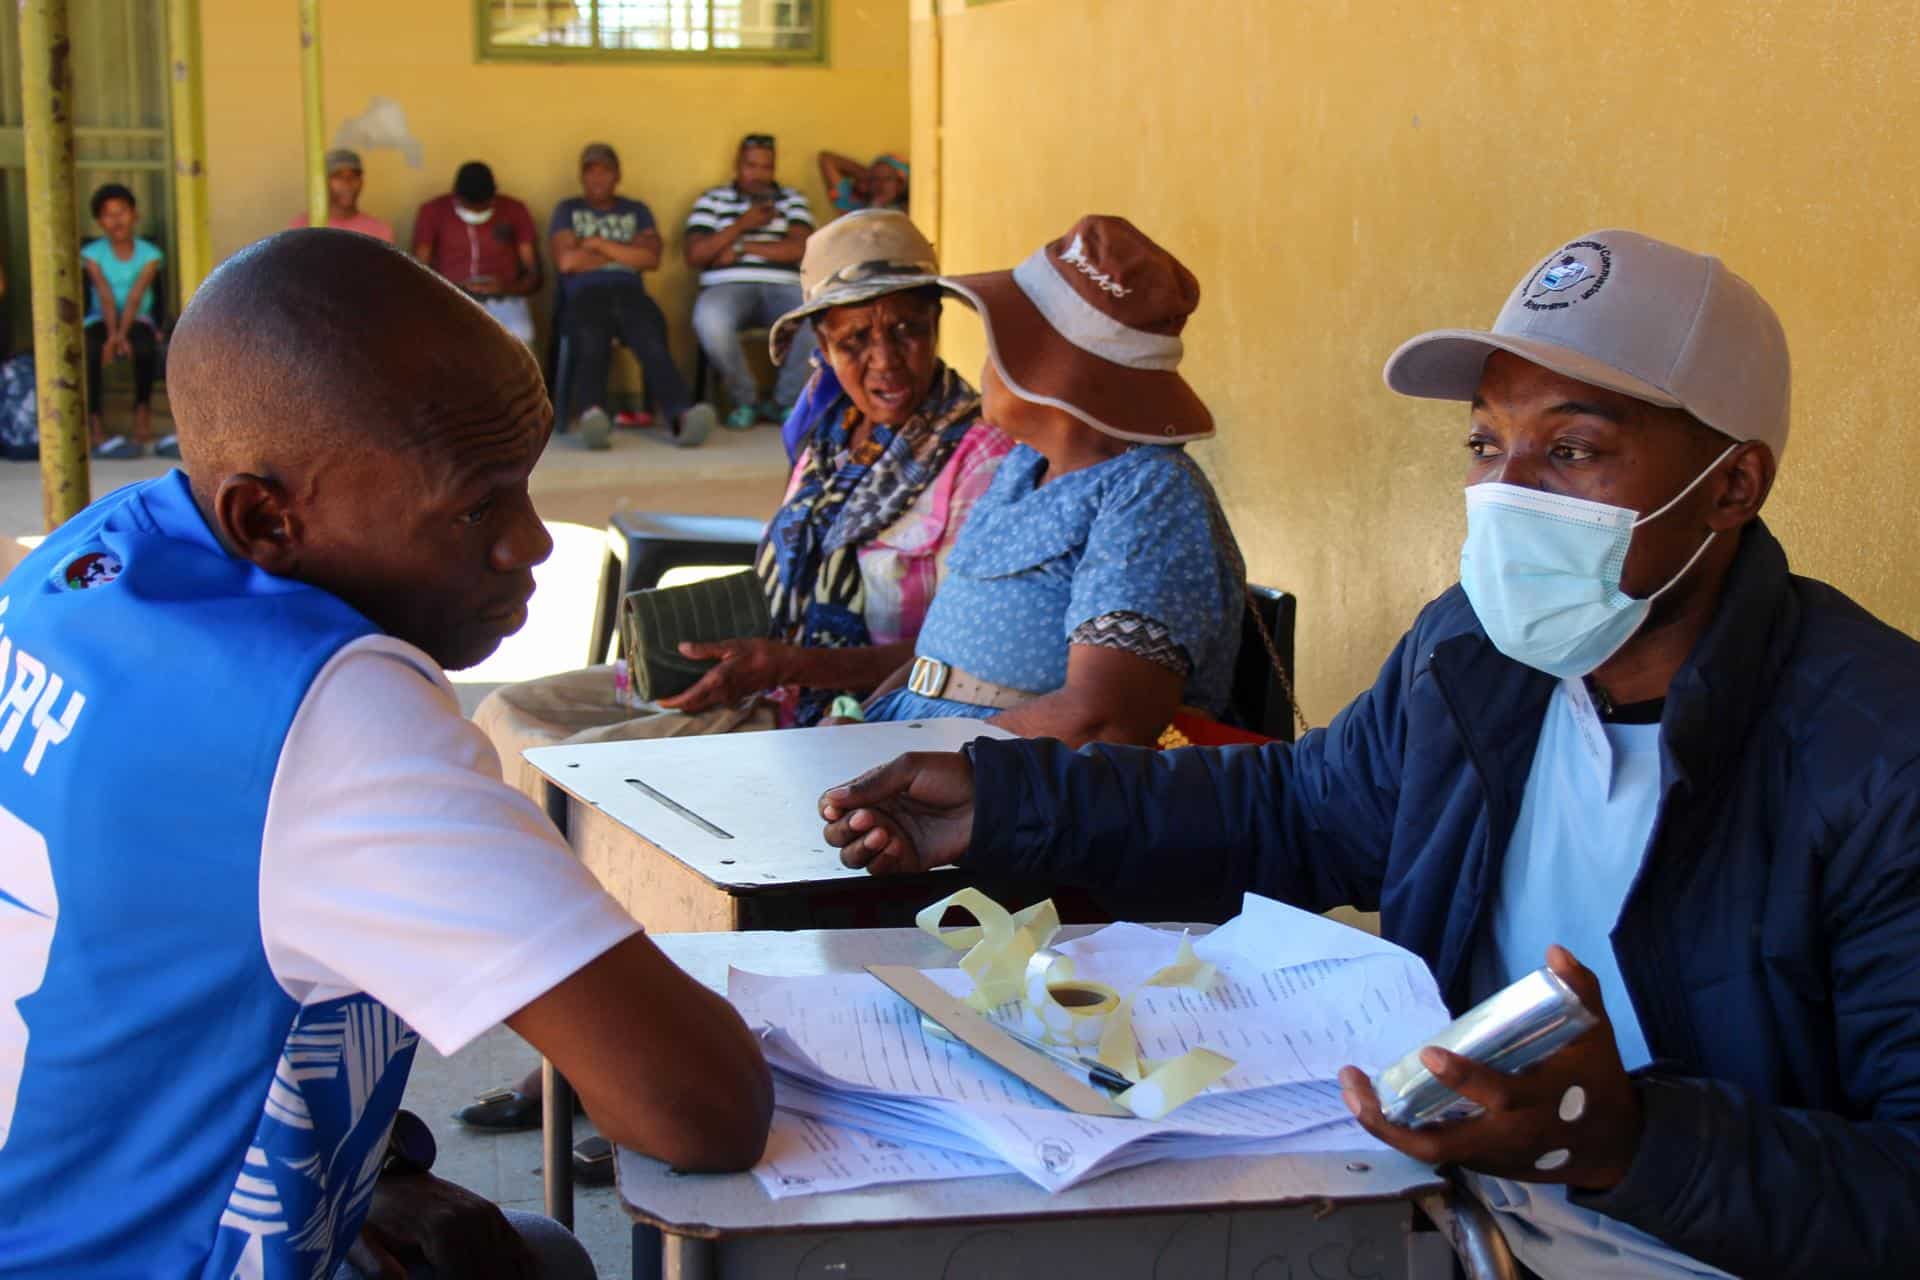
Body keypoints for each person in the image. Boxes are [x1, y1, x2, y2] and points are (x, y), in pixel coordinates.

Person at [822, 229, 1920, 1278]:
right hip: (1434, 1214)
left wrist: (1625, 1140)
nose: (1509, 494)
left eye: (1573, 449)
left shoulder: (1877, 756)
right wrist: (1010, 802)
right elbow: (1298, 810)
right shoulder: (1474, 654)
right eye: (1488, 444)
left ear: (1732, 484)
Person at [0, 229, 771, 1279]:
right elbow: (699, 1107)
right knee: (554, 1258)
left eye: (526, 482)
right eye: (476, 503)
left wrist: (383, 1166)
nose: (535, 541)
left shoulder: (77, 571)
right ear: (268, 516)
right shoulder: (321, 708)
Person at [458, 209, 1010, 1153]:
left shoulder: (981, 458)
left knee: (597, 787)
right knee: (511, 720)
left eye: (908, 328)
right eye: (855, 340)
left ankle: (631, 1057)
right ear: (822, 348)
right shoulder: (828, 434)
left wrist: (786, 663)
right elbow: (785, 578)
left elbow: (953, 666)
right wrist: (720, 645)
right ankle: (586, 1027)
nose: (885, 360)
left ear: (936, 322)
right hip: (763, 674)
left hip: (844, 710)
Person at [860, 215, 1245, 749]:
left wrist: (931, 759)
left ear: (1048, 369)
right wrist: (862, 728)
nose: (986, 364)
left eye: (1002, 346)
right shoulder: (1023, 467)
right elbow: (937, 660)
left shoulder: (1149, 493)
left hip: (1014, 787)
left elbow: (1103, 719)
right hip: (931, 752)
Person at [550, 141, 715, 450]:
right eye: (591, 172)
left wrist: (596, 244)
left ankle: (681, 416)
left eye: (605, 172)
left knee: (651, 338)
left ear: (617, 176)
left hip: (629, 293)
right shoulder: (567, 210)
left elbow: (650, 259)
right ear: (582, 177)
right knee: (590, 338)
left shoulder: (636, 210)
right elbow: (567, 262)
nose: (598, 179)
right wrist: (625, 253)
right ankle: (592, 416)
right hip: (584, 293)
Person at [685, 133, 818, 429]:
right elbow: (695, 253)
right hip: (726, 288)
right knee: (710, 320)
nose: (758, 174)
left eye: (765, 167)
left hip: (784, 286)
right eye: (751, 166)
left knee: (817, 315)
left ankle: (786, 403)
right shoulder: (713, 200)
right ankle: (746, 400)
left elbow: (802, 248)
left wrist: (740, 248)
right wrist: (743, 224)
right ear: (737, 165)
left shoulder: (792, 200)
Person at [82, 183, 171, 461]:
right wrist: (112, 335)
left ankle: (142, 417)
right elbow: (105, 296)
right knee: (89, 349)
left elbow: (136, 295)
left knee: (144, 347)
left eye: (122, 212)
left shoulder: (150, 254)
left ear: (135, 215)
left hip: (137, 317)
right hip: (101, 318)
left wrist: (121, 335)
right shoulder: (92, 254)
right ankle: (94, 425)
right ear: (99, 222)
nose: (116, 220)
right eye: (108, 215)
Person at [413, 161, 542, 345]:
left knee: (521, 335)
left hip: (504, 299)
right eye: (470, 207)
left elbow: (534, 275)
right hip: (449, 299)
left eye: (482, 208)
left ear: (493, 195)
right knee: (439, 341)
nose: (475, 212)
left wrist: (504, 288)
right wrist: (451, 289)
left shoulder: (515, 210)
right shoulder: (433, 211)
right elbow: (417, 272)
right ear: (456, 195)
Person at [289, 147, 396, 243]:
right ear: (323, 182)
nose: (347, 183)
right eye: (338, 176)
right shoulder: (302, 228)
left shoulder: (380, 232)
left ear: (362, 182)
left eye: (354, 176)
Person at [817, 150, 910, 215]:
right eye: (874, 179)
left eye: (887, 179)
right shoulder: (855, 209)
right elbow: (826, 159)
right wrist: (867, 176)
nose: (879, 184)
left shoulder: (911, 209)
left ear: (901, 183)